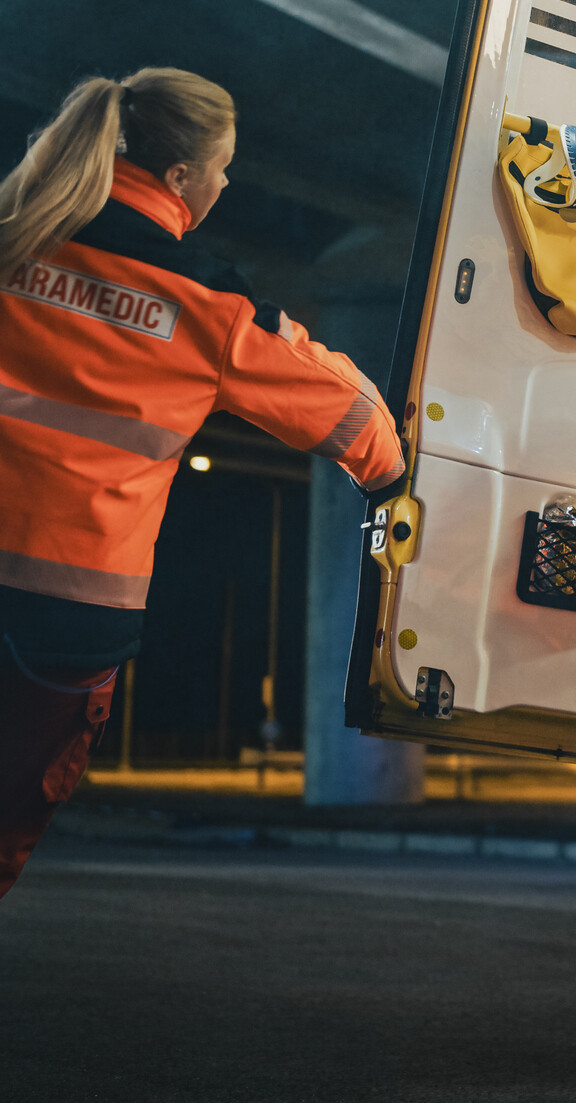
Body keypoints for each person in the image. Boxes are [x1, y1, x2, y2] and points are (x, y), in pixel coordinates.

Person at [0, 68, 404, 897]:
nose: (226, 183)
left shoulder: (13, 238)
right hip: (65, 620)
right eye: (223, 167)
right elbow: (358, 424)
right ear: (182, 177)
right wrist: (394, 479)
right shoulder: (208, 302)